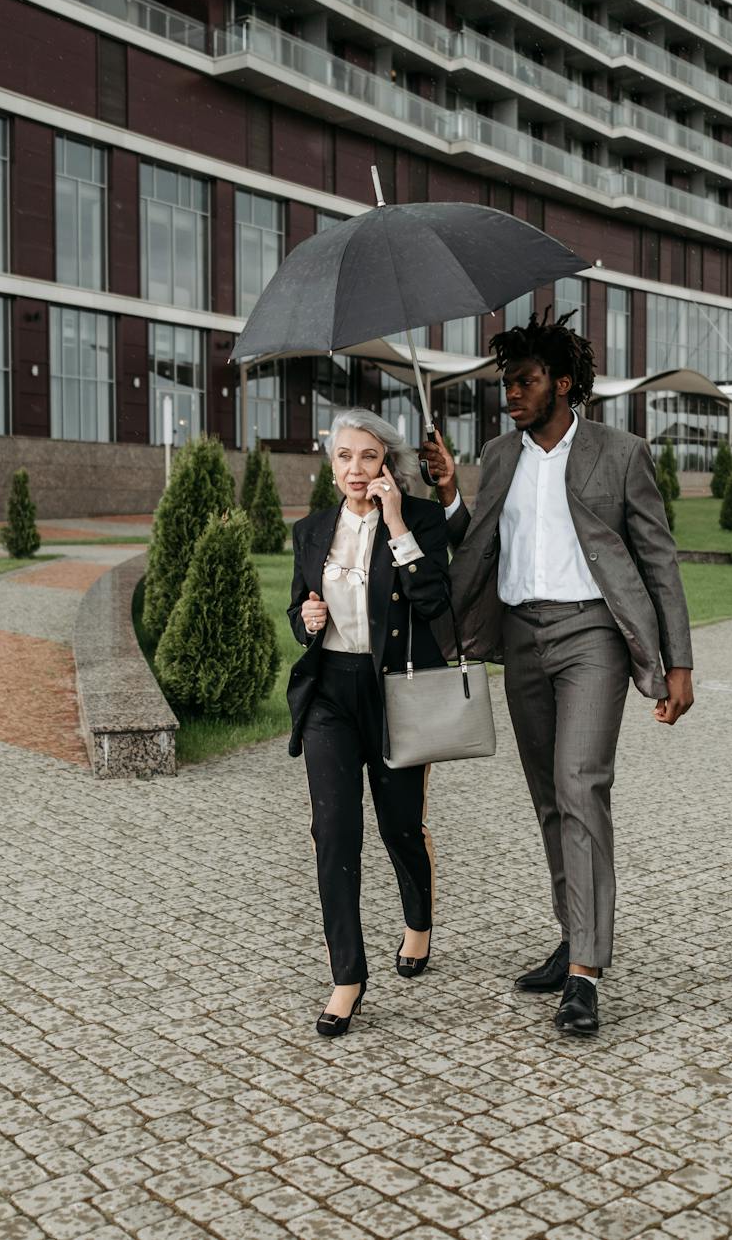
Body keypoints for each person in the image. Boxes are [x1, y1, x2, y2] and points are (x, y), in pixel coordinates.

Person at [419, 311, 694, 1037]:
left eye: (525, 380)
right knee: (548, 796)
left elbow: (659, 561)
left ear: (563, 384)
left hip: (590, 636)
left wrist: (679, 663)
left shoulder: (620, 453)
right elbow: (477, 545)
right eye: (506, 382)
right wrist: (450, 493)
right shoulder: (500, 455)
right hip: (520, 637)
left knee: (581, 785)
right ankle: (572, 933)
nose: (511, 393)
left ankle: (585, 975)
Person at [287, 409, 452, 1037]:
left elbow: (435, 601)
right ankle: (347, 976)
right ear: (332, 466)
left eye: (367, 456)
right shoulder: (310, 531)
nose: (355, 469)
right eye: (343, 457)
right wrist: (304, 616)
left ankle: (417, 923)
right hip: (330, 691)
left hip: (396, 692)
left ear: (387, 462)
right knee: (333, 831)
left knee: (400, 826)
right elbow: (296, 610)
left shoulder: (421, 519)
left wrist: (396, 523)